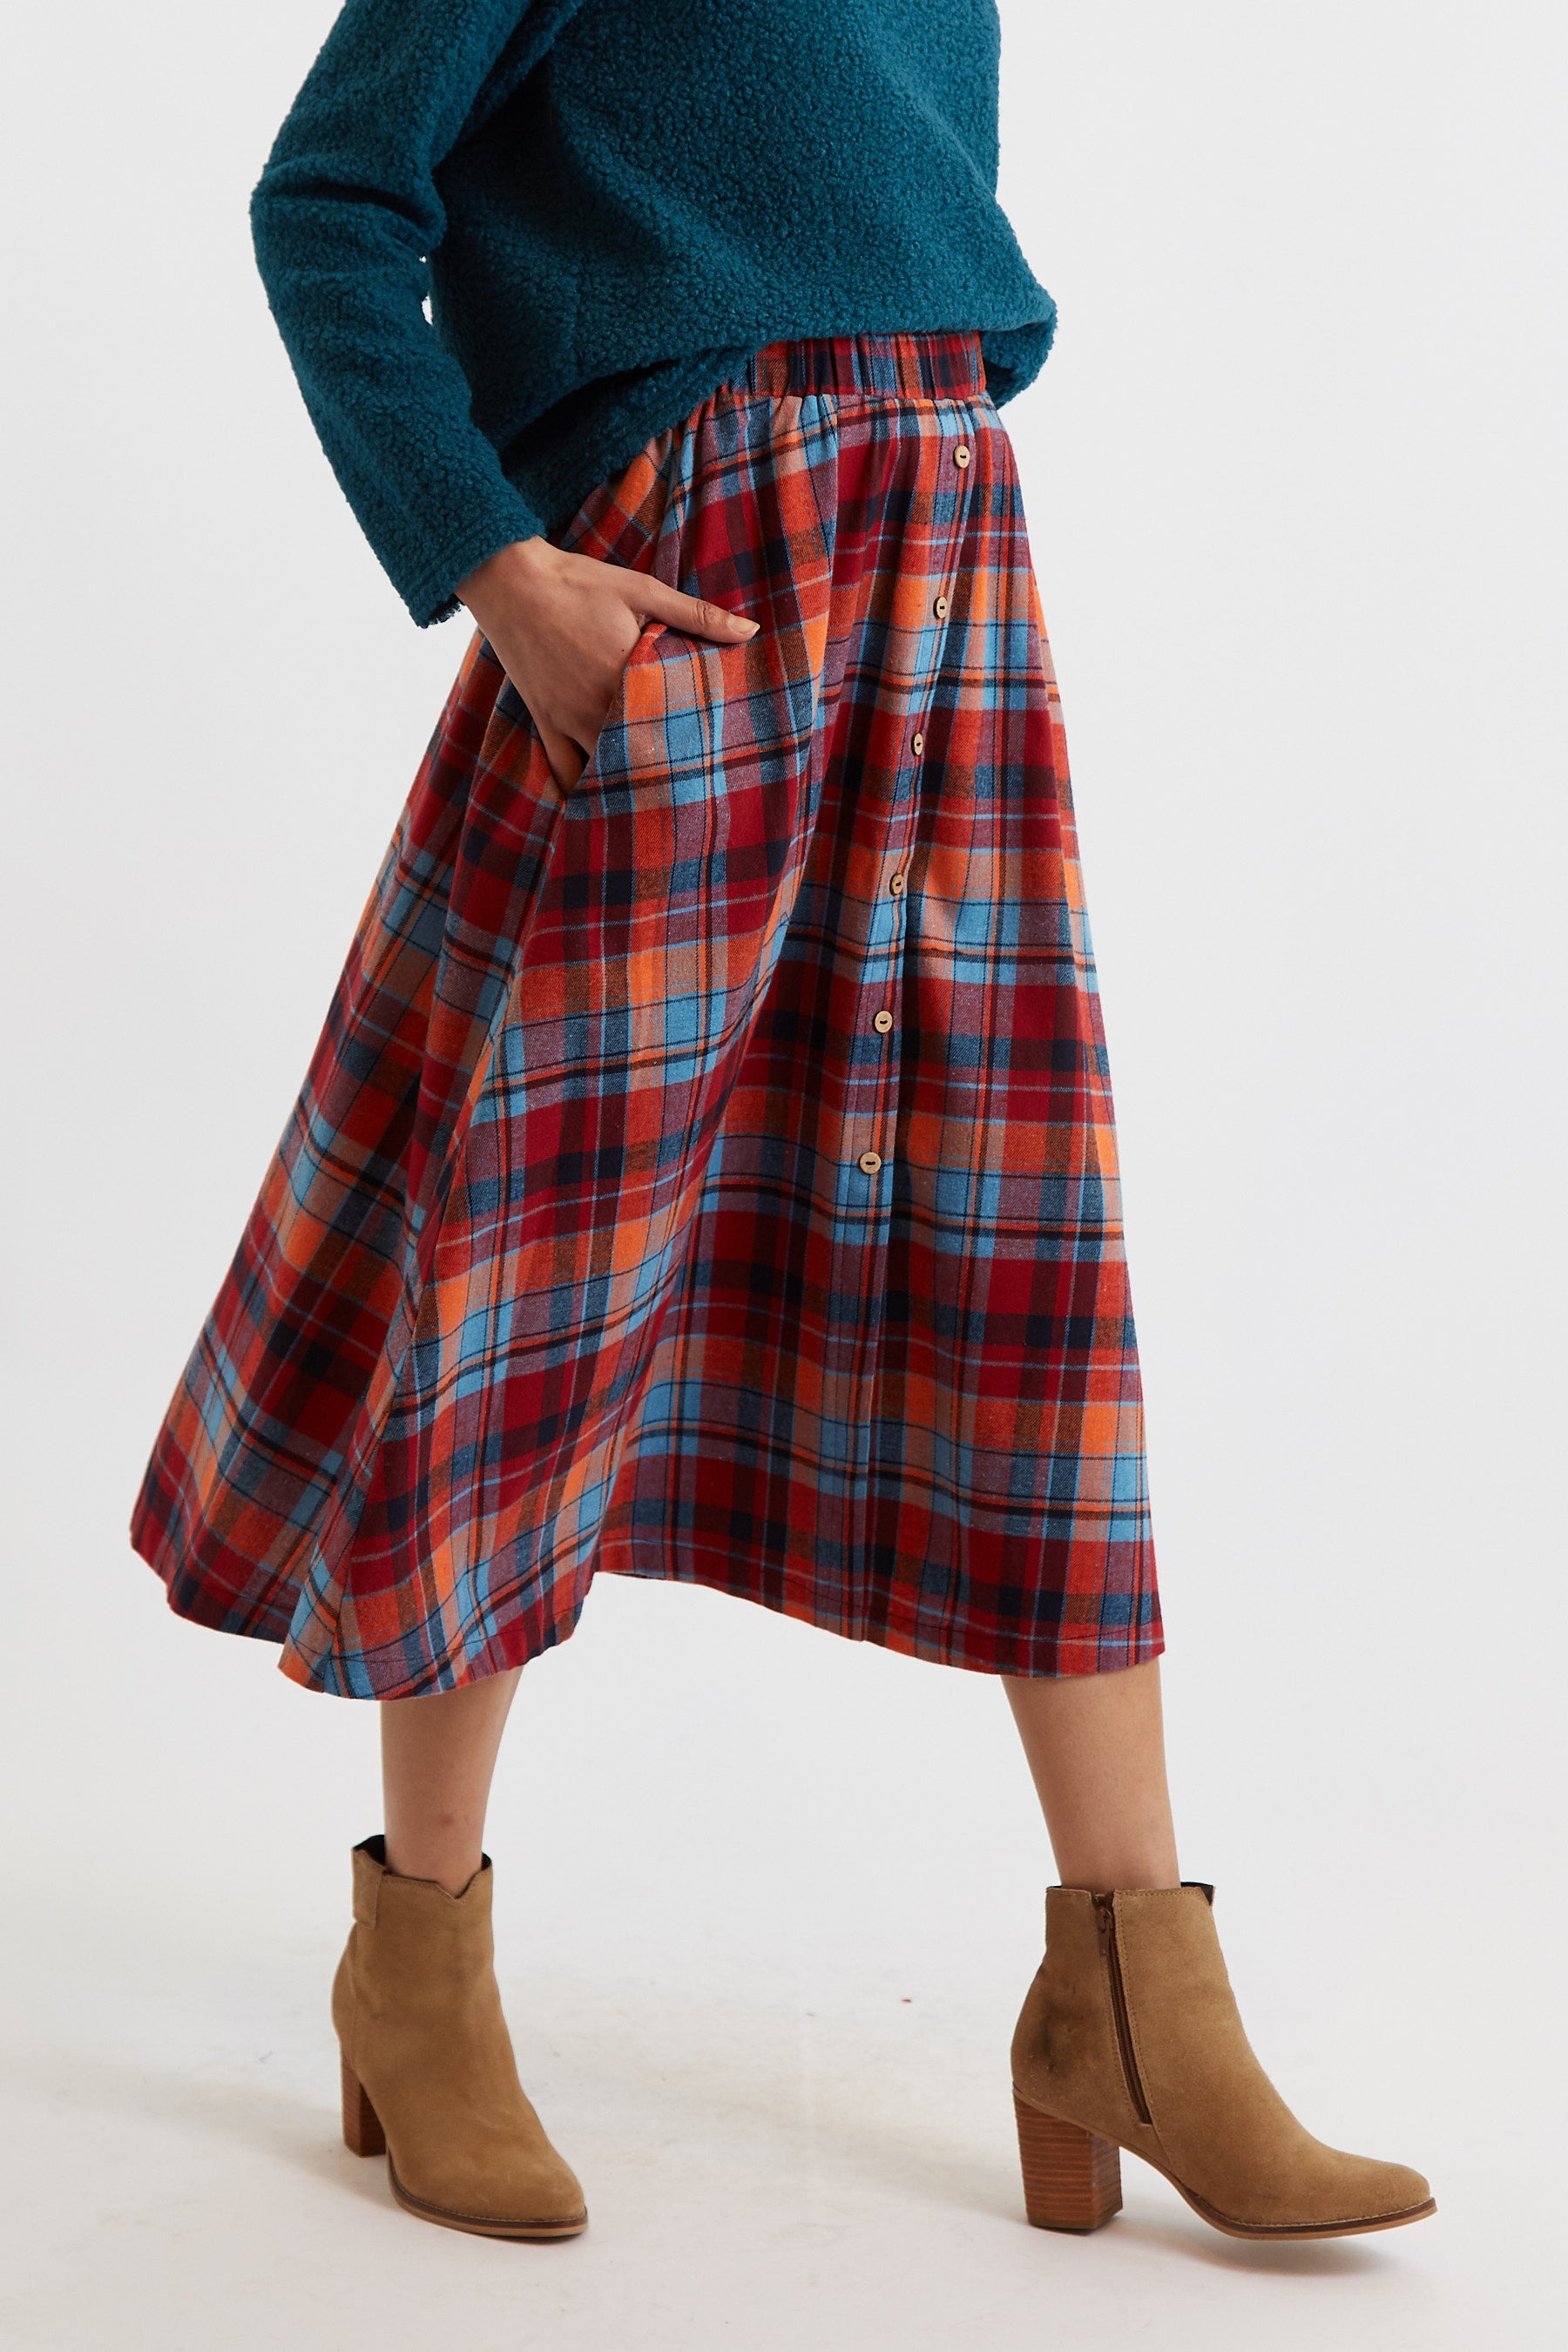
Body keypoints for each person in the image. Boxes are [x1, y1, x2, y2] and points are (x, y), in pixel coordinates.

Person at [131, 0, 1432, 2247]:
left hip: (946, 561)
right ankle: (416, 1962)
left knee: (1019, 1257)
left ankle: (1134, 1994)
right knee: (543, 1252)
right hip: (690, 594)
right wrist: (499, 564)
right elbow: (327, 198)